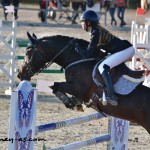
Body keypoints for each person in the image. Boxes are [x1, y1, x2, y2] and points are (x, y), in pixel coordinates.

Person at [74, 10, 135, 106]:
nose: (81, 24)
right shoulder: (96, 31)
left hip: (125, 50)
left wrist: (76, 48)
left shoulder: (95, 33)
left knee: (103, 67)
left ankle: (111, 95)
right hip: (126, 49)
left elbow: (87, 54)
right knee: (104, 63)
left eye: (82, 21)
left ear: (88, 23)